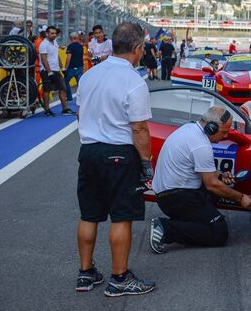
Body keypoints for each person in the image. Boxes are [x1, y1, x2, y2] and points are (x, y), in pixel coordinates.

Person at [75, 22, 155, 296]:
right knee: (121, 216)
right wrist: (146, 163)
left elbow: (79, 114)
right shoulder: (134, 81)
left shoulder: (89, 75)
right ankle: (119, 278)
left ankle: (85, 273)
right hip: (119, 153)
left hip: (88, 150)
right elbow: (139, 128)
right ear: (137, 49)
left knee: (89, 214)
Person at [149, 107, 251, 254]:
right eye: (224, 132)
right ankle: (165, 228)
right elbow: (211, 185)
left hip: (171, 193)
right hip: (175, 198)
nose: (226, 136)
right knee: (219, 232)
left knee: (219, 186)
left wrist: (220, 175)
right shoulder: (201, 144)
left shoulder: (190, 129)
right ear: (212, 127)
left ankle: (192, 220)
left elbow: (201, 171)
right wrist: (241, 198)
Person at [39, 26, 74, 117]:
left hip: (56, 70)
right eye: (52, 33)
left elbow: (56, 56)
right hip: (46, 71)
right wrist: (49, 72)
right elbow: (43, 59)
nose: (54, 35)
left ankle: (65, 109)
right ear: (47, 34)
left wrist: (62, 68)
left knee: (63, 88)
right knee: (47, 90)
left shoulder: (55, 42)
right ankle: (47, 110)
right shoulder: (43, 44)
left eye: (55, 33)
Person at [64, 32, 85, 102]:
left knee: (65, 82)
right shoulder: (81, 46)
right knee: (80, 84)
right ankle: (82, 98)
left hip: (71, 68)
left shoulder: (70, 47)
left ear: (70, 38)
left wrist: (65, 68)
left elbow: (68, 58)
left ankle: (69, 97)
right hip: (80, 67)